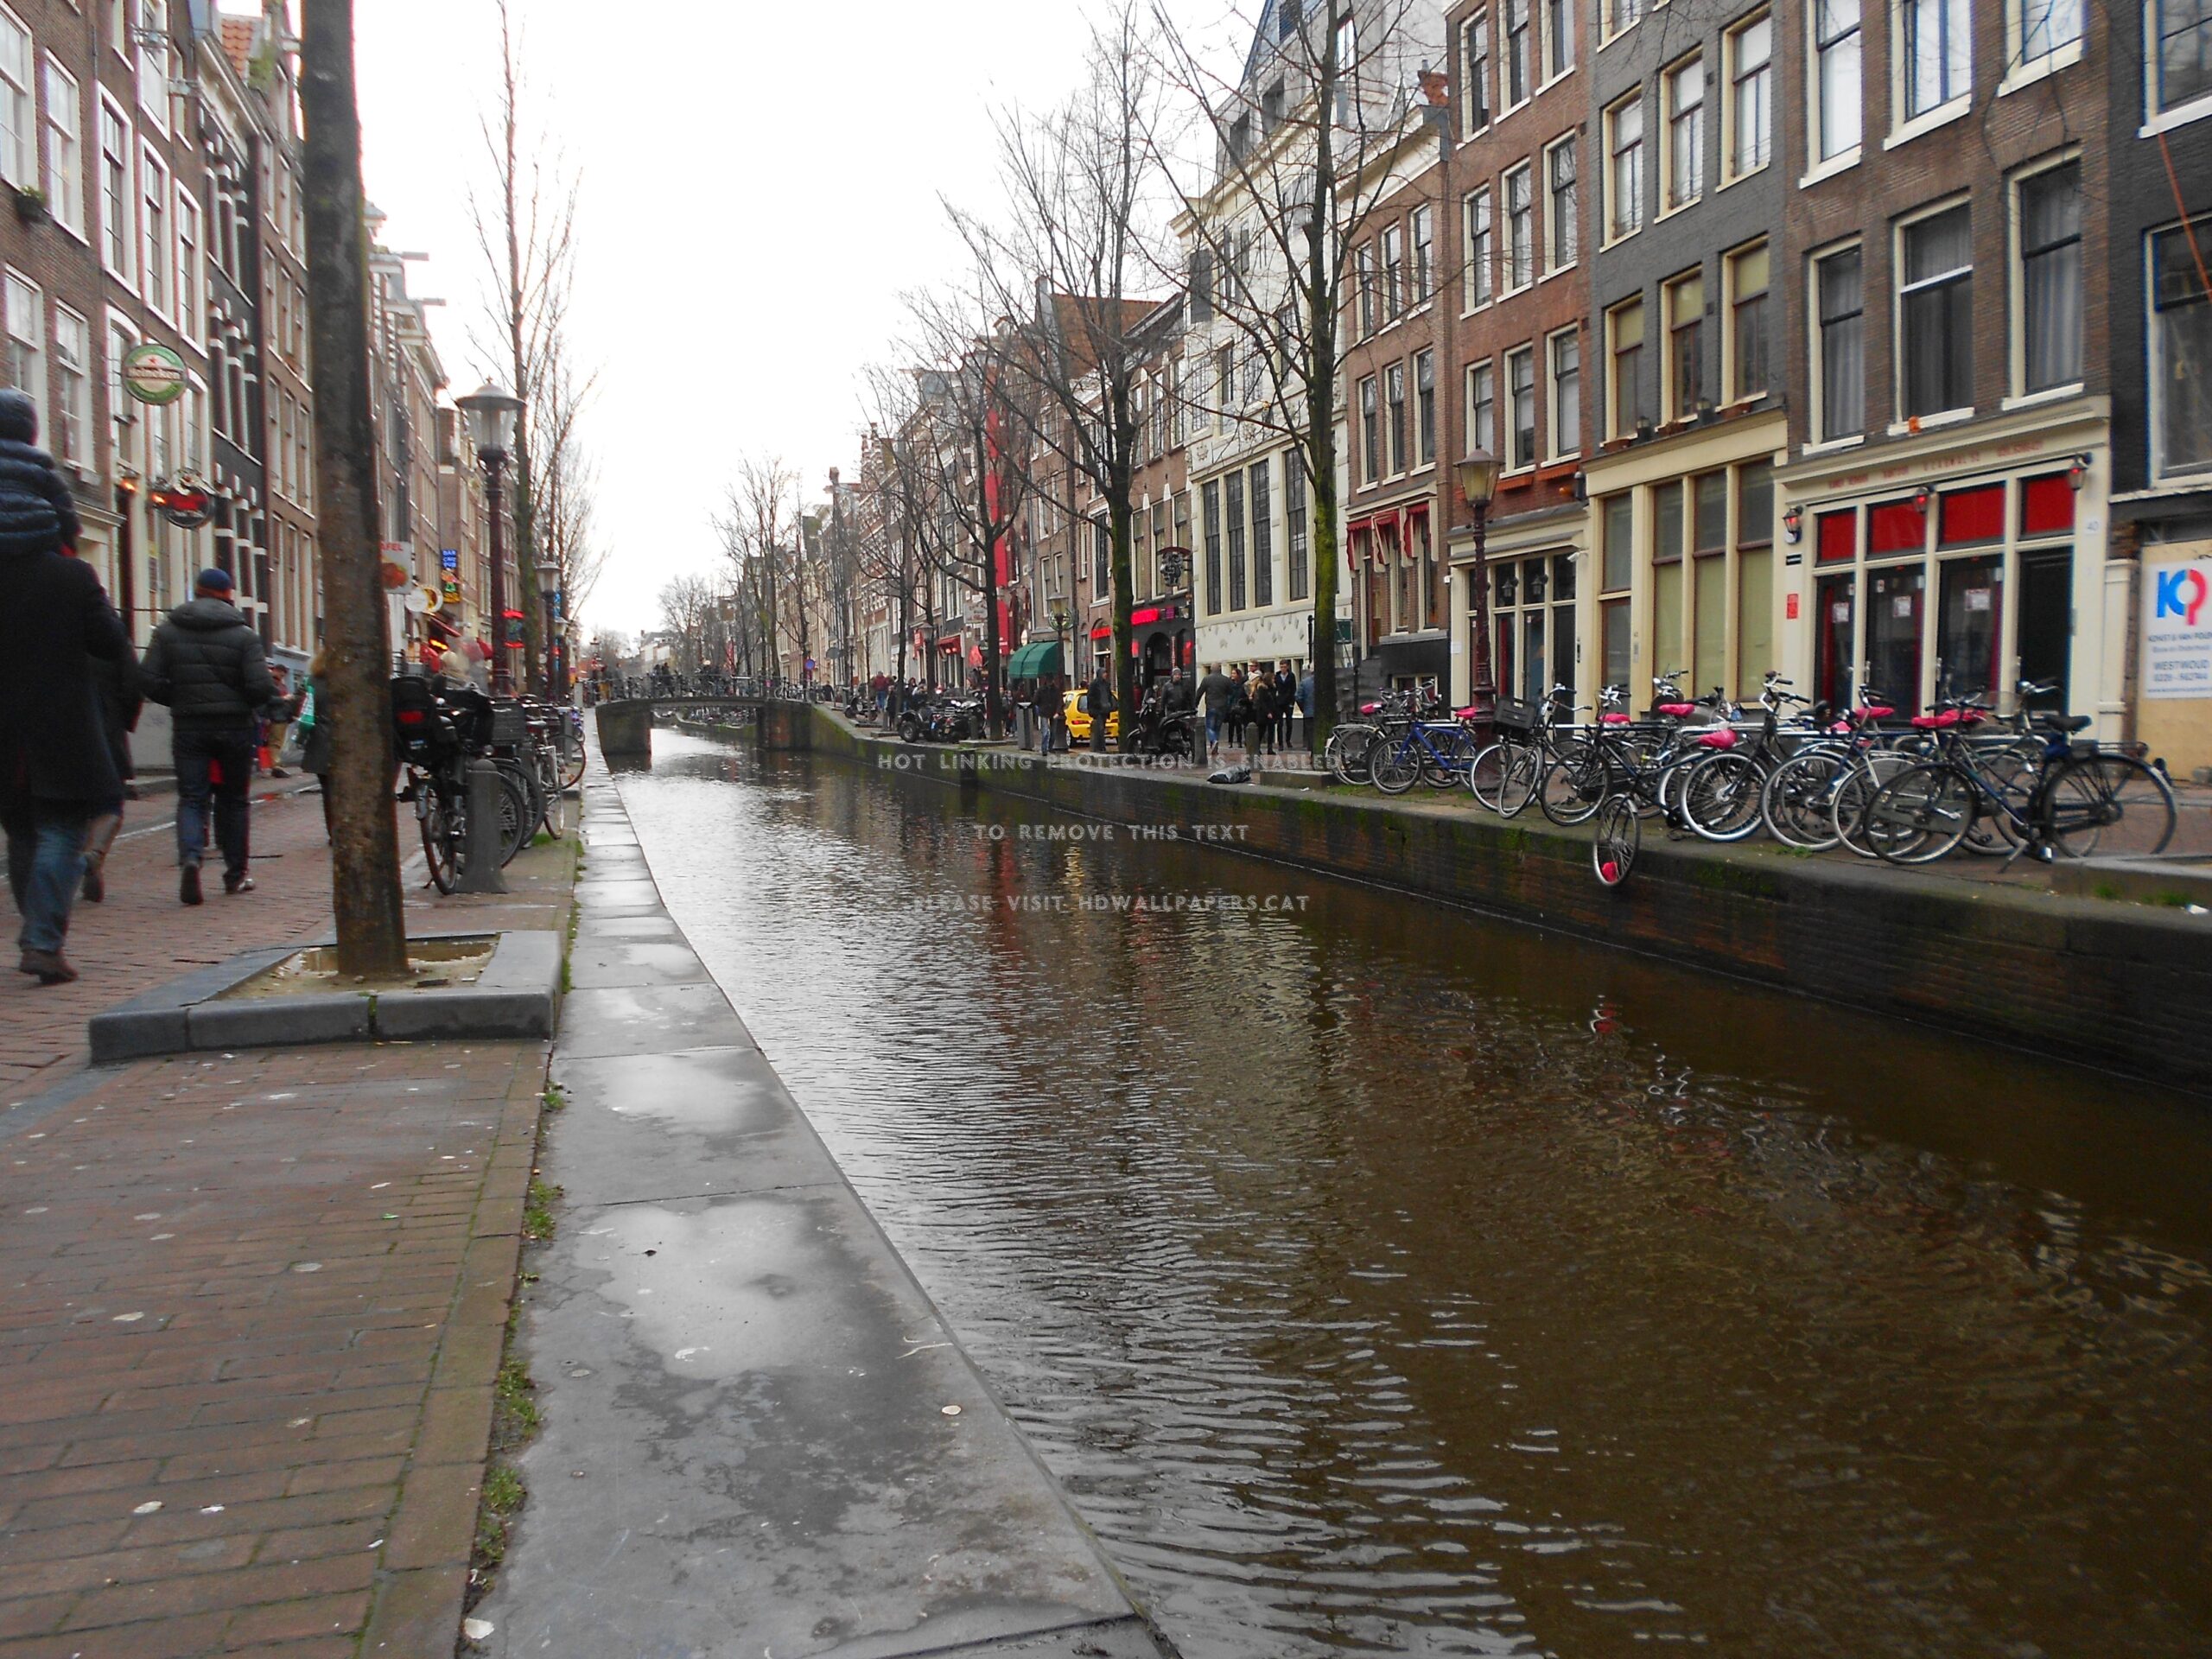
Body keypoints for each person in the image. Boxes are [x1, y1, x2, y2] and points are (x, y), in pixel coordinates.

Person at [0, 389, 128, 982]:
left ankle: (38, 930)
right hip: (57, 722)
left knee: (20, 828)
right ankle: (43, 937)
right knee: (59, 826)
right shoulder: (71, 575)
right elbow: (109, 644)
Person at [141, 566, 281, 905]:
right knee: (233, 800)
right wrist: (242, 704)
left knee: (192, 796)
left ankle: (191, 857)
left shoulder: (167, 631)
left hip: (190, 725)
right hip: (234, 727)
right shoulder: (244, 635)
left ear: (197, 591)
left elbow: (147, 679)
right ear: (228, 594)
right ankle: (235, 875)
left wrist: (178, 699)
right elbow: (261, 687)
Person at [79, 636, 143, 904]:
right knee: (110, 801)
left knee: (72, 801)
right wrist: (124, 719)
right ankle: (95, 852)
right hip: (107, 728)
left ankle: (80, 858)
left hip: (62, 733)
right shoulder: (114, 638)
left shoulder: (52, 632)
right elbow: (132, 687)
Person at [296, 649, 334, 841]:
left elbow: (304, 711)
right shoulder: (350, 681)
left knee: (327, 791)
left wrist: (300, 739)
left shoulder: (312, 682)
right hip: (347, 744)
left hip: (321, 744)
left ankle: (333, 832)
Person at [1197, 664, 1237, 760]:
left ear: (1211, 669)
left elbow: (1200, 692)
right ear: (1220, 669)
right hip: (1222, 707)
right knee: (1217, 727)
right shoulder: (1226, 680)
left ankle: (1213, 740)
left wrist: (1196, 703)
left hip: (1211, 706)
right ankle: (1215, 747)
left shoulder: (1207, 679)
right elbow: (1232, 692)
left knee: (1210, 726)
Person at [1087, 665, 1115, 753]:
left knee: (1102, 727)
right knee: (1100, 728)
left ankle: (1100, 746)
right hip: (1097, 710)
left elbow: (1109, 695)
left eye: (1106, 673)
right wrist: (1098, 704)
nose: (1106, 674)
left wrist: (1110, 704)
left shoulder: (1106, 685)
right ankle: (1100, 747)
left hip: (1105, 710)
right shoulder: (1094, 685)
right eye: (1104, 673)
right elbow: (1090, 697)